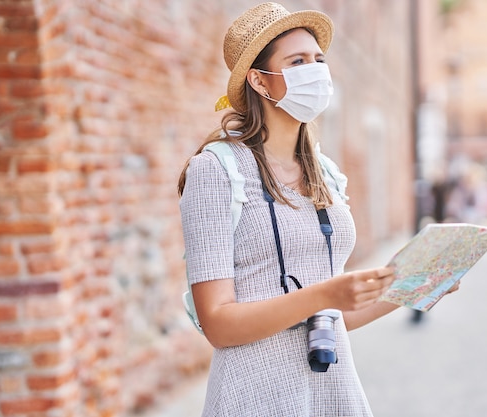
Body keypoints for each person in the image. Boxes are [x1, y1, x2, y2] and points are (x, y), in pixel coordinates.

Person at [178, 3, 456, 416]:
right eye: (297, 61)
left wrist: (414, 288)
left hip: (334, 393)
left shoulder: (326, 172)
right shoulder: (215, 171)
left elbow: (331, 316)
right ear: (259, 80)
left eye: (319, 60)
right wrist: (323, 293)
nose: (316, 70)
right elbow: (217, 324)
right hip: (253, 395)